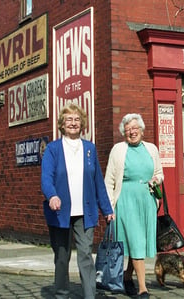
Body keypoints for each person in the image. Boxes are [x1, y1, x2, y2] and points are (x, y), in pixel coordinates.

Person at [41, 103, 114, 299]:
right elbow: (46, 178)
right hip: (60, 212)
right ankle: (62, 294)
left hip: (85, 212)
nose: (73, 123)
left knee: (85, 255)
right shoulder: (53, 149)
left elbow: (98, 181)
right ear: (62, 124)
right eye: (69, 120)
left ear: (82, 124)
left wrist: (107, 209)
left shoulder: (89, 148)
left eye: (76, 120)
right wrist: (52, 195)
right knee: (62, 257)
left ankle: (90, 295)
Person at [105, 113, 163, 299]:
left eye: (135, 129)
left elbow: (160, 173)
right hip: (126, 201)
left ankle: (127, 278)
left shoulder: (152, 149)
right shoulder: (118, 150)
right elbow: (109, 180)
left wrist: (156, 179)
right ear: (124, 133)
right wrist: (109, 208)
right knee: (136, 242)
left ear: (142, 131)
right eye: (128, 130)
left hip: (146, 201)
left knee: (137, 244)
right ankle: (143, 288)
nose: (132, 132)